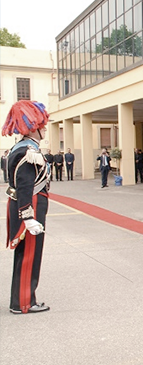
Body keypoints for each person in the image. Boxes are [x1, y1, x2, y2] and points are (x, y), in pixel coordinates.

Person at [2, 100, 51, 314]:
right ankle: (24, 303)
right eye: (42, 125)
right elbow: (24, 186)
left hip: (29, 206)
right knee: (30, 255)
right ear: (34, 126)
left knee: (26, 255)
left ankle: (20, 300)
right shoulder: (27, 151)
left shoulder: (21, 147)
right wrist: (28, 217)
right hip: (30, 206)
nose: (45, 128)